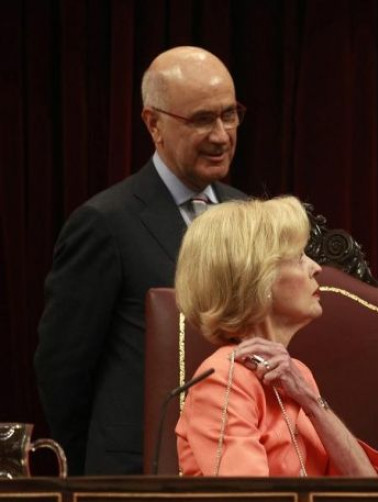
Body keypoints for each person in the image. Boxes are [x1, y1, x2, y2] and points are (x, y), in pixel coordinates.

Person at [34, 46, 248, 475]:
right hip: (135, 474)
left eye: (230, 114)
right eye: (203, 119)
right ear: (154, 124)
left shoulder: (247, 214)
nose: (222, 135)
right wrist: (98, 466)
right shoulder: (104, 224)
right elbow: (62, 371)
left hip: (233, 467)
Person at [174, 197, 378, 476]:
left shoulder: (296, 374)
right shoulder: (224, 380)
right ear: (259, 279)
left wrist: (311, 402)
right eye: (300, 257)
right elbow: (249, 500)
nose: (316, 267)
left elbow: (366, 485)